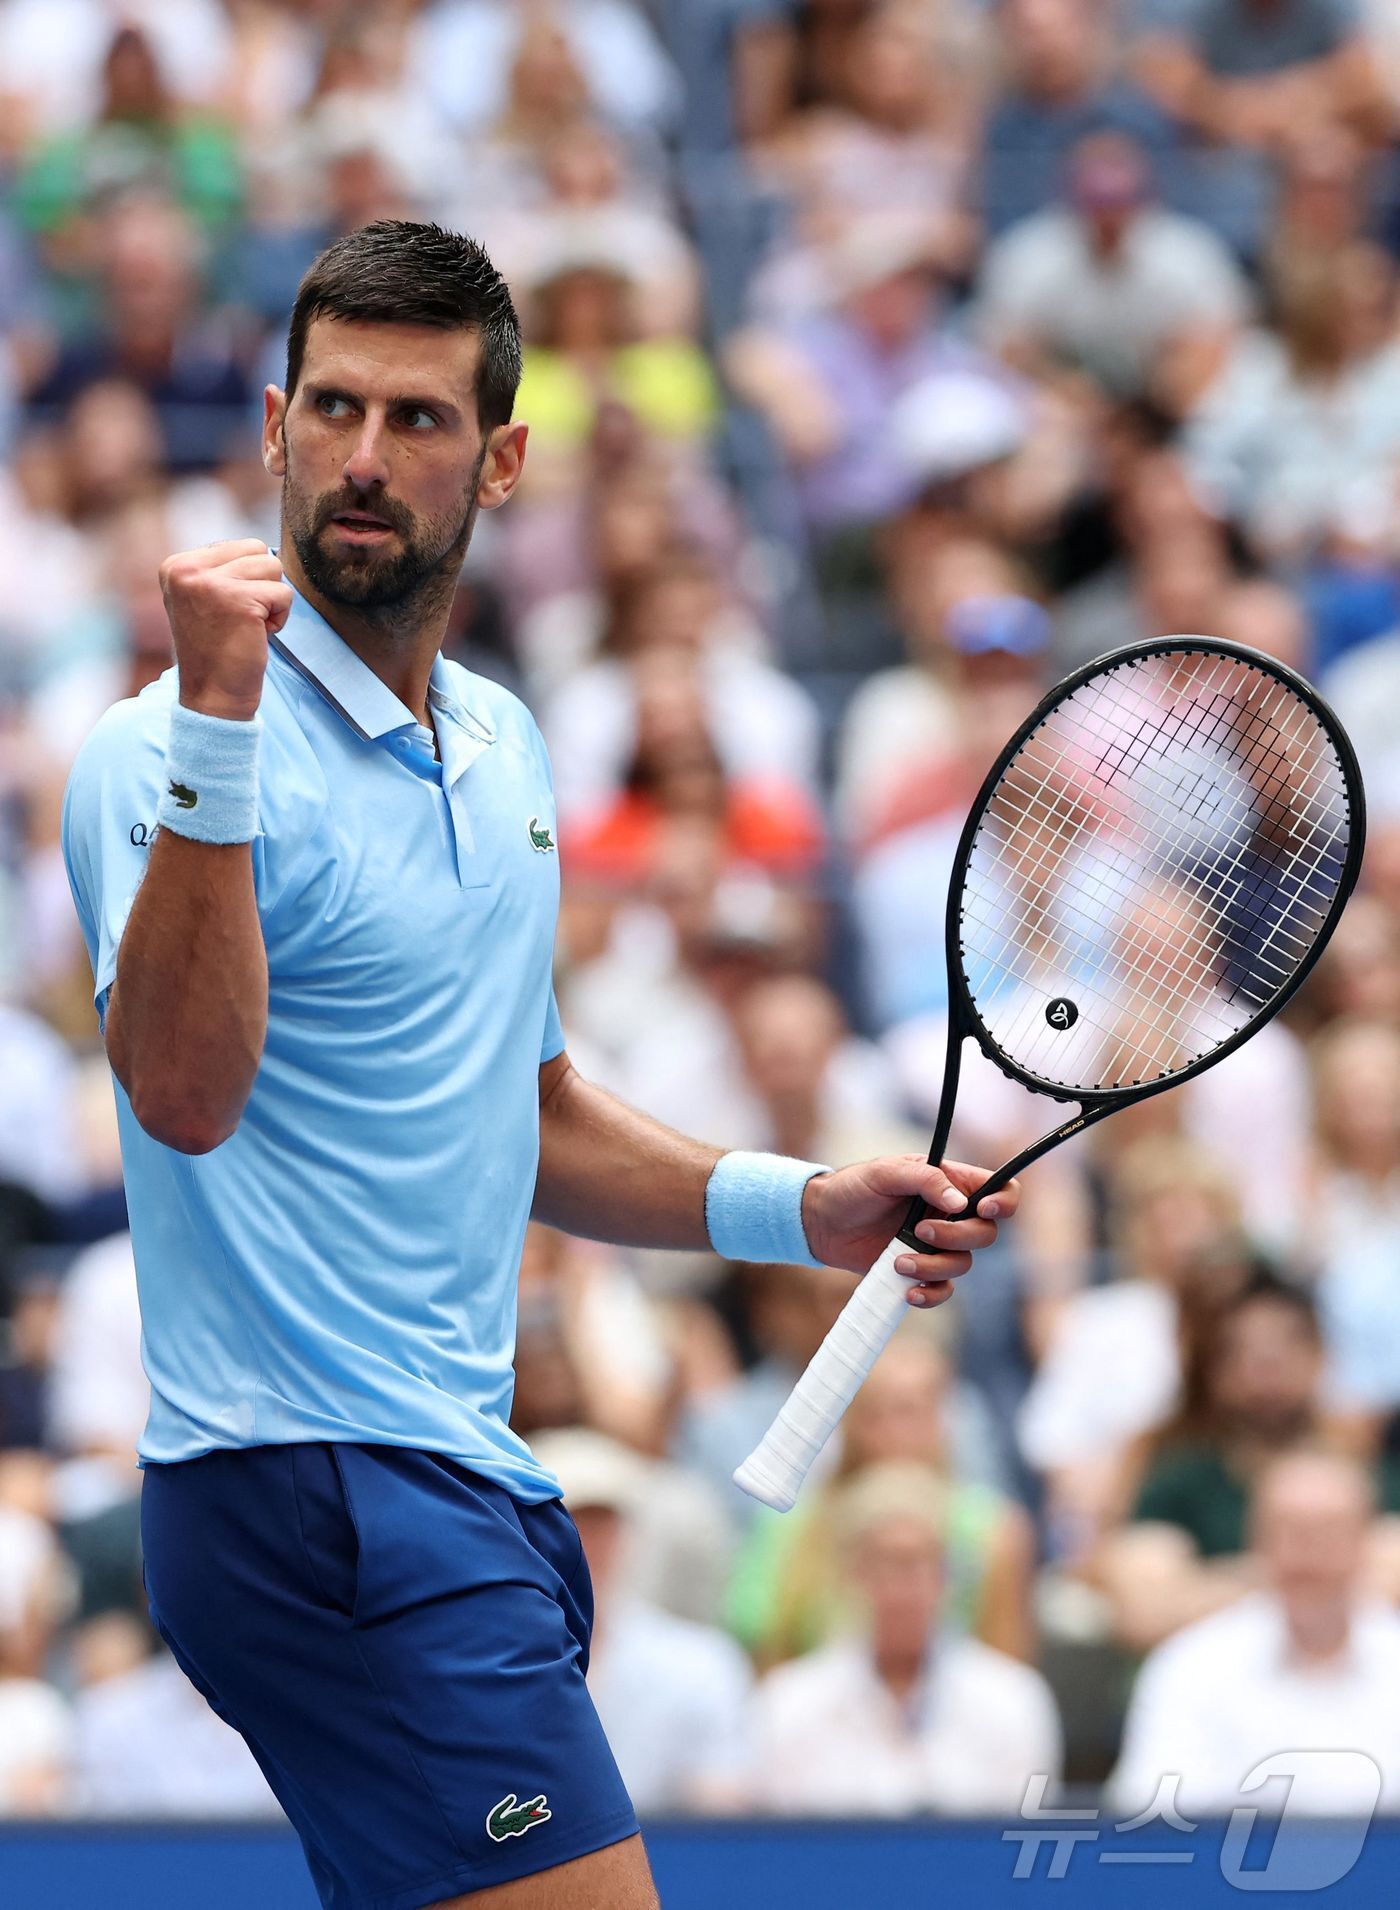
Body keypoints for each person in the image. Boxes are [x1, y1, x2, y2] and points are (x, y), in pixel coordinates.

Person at [58, 220, 1017, 1910]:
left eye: (417, 420)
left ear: (499, 462)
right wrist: (219, 727)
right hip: (312, 1494)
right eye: (335, 411)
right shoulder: (160, 748)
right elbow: (184, 1098)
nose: (365, 460)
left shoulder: (504, 741)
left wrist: (808, 1209)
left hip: (460, 1483)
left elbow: (524, 1107)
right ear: (274, 427)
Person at [747, 1462, 1061, 1814]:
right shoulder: (788, 1704)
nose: (901, 1588)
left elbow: (1021, 1845)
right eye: (884, 1564)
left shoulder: (1013, 1700)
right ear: (853, 1574)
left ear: (946, 1575)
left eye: (917, 1563)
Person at [1109, 1451, 1400, 1817]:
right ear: (1255, 1540)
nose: (1308, 1552)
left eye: (1329, 1531)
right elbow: (1157, 1817)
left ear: (1366, 1541)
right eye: (1289, 1530)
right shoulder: (1190, 1665)